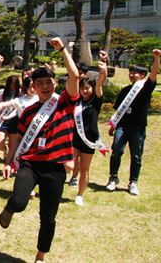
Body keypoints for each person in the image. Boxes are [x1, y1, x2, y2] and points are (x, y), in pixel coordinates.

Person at [0, 37, 79, 263]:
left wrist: (62, 49)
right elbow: (16, 141)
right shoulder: (28, 112)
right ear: (33, 86)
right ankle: (9, 210)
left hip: (55, 168)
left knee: (49, 217)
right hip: (30, 164)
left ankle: (41, 255)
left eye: (49, 82)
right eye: (40, 83)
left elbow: (74, 76)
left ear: (54, 84)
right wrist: (7, 161)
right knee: (19, 201)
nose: (45, 86)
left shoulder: (65, 103)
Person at [106, 48, 160, 196]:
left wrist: (156, 58)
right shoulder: (124, 91)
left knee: (136, 156)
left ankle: (133, 182)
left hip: (138, 128)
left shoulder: (146, 88)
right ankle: (113, 178)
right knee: (116, 151)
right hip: (122, 127)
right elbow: (118, 110)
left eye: (135, 72)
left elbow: (154, 73)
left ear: (142, 75)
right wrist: (113, 126)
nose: (131, 74)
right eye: (130, 72)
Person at [68, 53, 108, 206]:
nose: (85, 91)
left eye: (87, 88)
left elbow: (99, 84)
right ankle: (67, 180)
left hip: (89, 139)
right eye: (83, 89)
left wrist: (102, 70)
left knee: (84, 169)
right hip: (74, 137)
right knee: (69, 164)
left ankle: (80, 194)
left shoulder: (95, 100)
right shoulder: (76, 100)